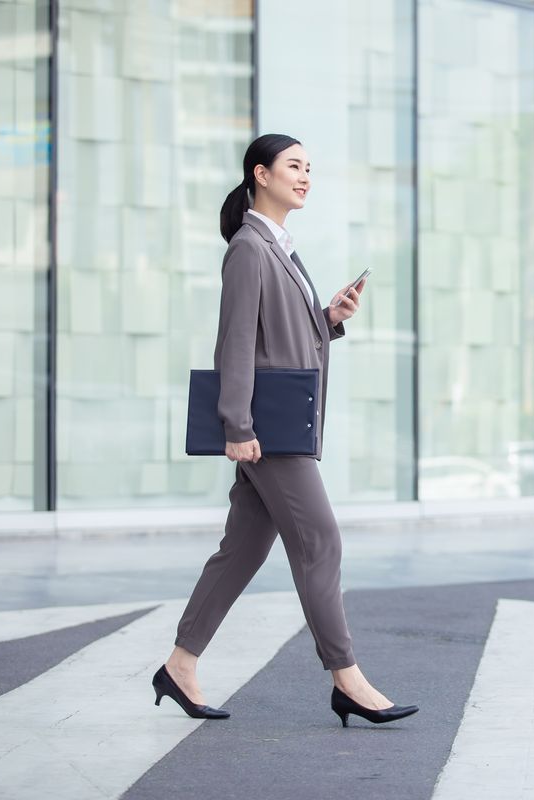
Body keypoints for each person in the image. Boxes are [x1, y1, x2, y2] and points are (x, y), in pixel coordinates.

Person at [151, 134, 418, 728]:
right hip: (266, 433)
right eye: (294, 166)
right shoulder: (250, 248)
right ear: (260, 174)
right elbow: (238, 341)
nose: (305, 177)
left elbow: (280, 336)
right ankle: (346, 678)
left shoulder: (278, 247)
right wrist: (237, 425)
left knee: (242, 549)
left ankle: (180, 663)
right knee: (320, 540)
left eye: (309, 168)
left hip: (270, 428)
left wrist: (328, 319)